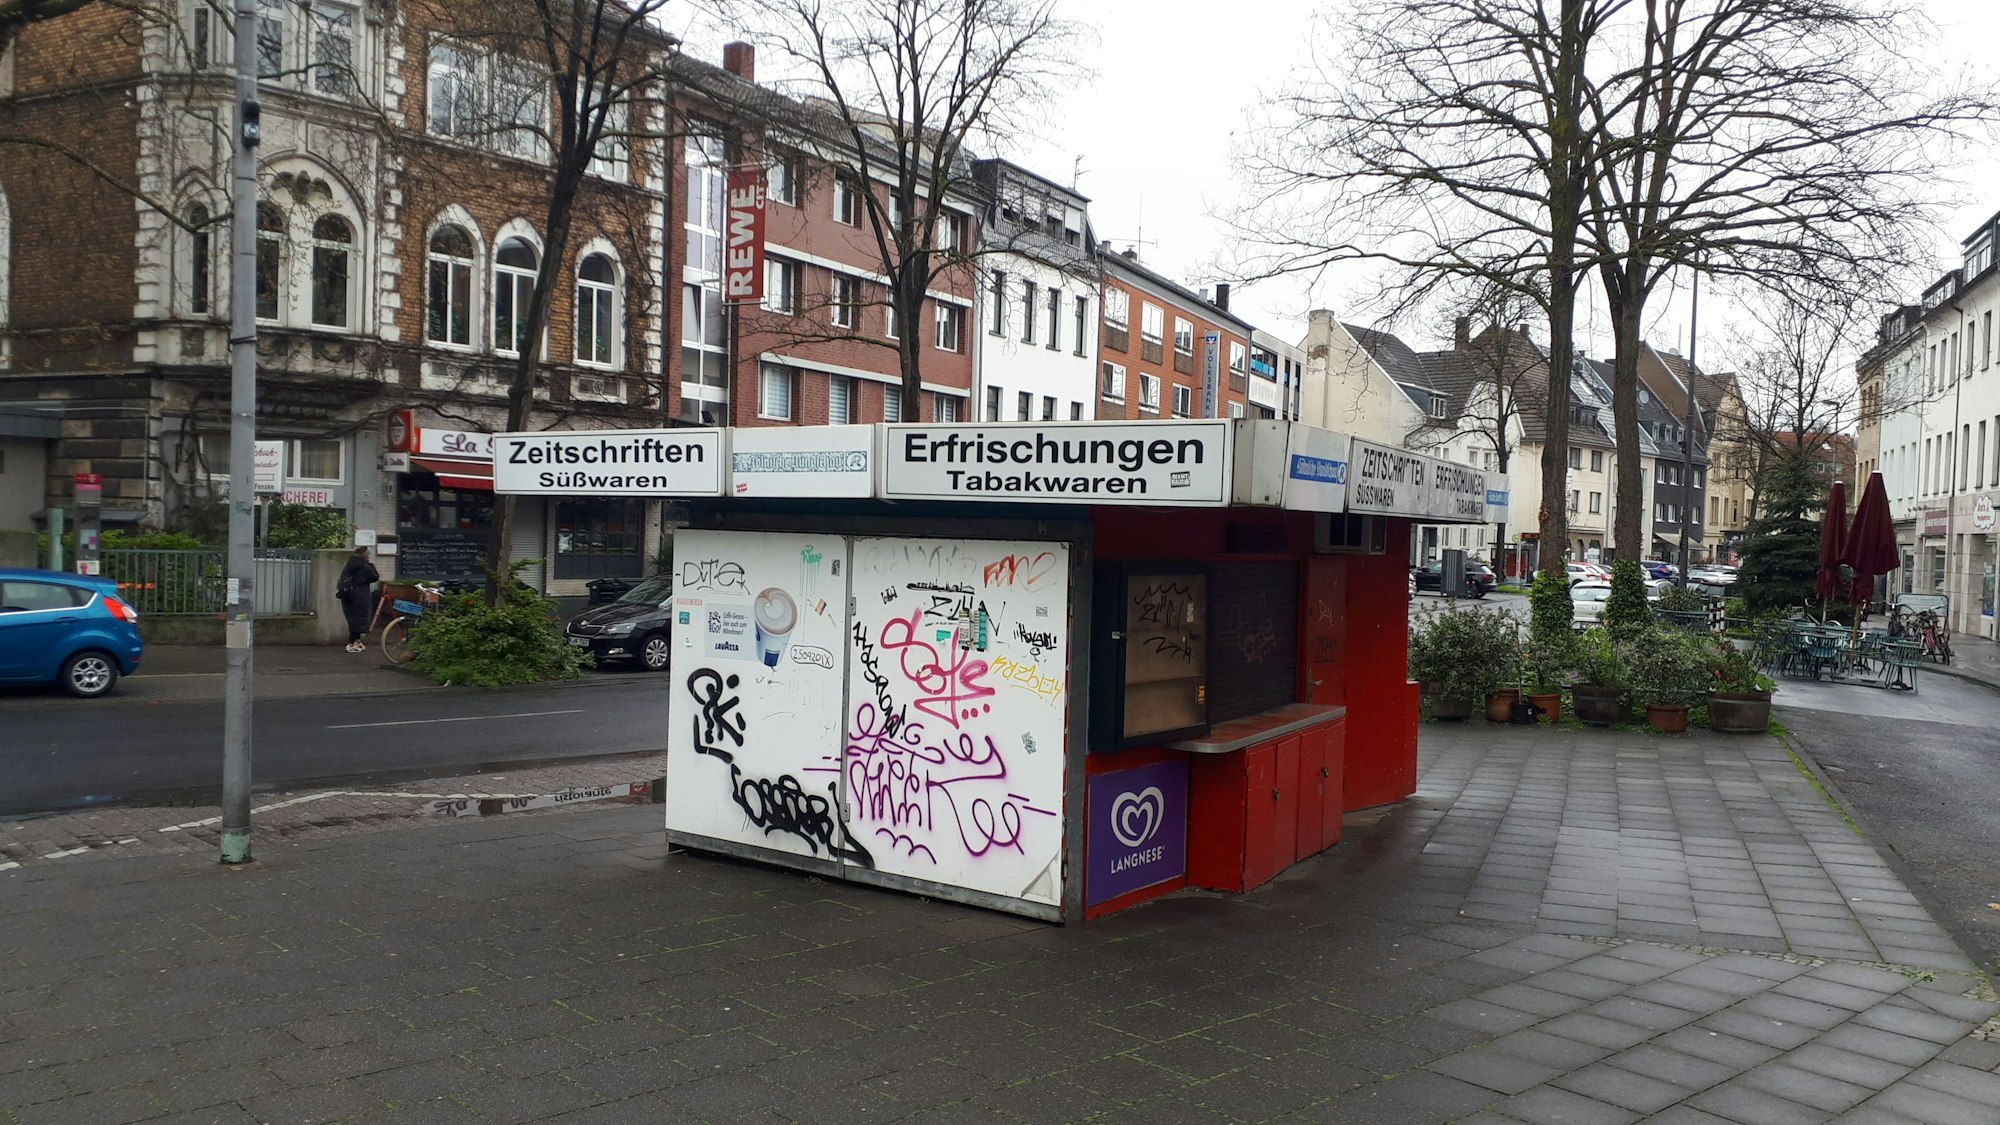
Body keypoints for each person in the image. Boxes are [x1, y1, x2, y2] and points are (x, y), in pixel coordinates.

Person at [336, 545, 379, 653]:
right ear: (365, 556)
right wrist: (370, 564)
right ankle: (351, 643)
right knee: (359, 620)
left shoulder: (350, 564)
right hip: (359, 596)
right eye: (368, 554)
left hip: (349, 596)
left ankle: (357, 642)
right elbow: (374, 576)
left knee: (354, 620)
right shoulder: (363, 566)